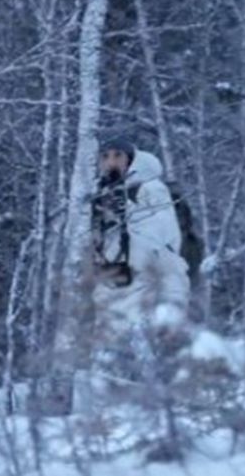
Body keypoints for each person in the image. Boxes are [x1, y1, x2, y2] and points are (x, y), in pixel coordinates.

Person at [90, 137, 191, 387]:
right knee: (111, 337)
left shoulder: (149, 188)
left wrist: (126, 215)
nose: (111, 161)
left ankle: (157, 395)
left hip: (152, 273)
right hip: (116, 273)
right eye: (106, 156)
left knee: (147, 338)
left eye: (117, 155)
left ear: (130, 159)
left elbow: (164, 233)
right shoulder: (99, 191)